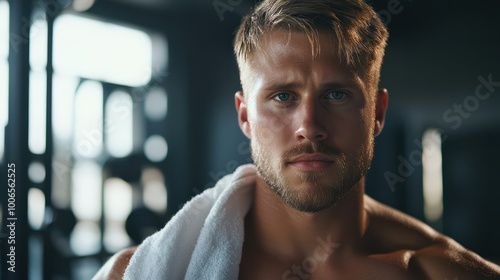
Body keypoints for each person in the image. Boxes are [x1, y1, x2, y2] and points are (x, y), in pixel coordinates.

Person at [94, 0, 500, 279]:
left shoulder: (438, 272)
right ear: (245, 116)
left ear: (376, 112)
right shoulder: (138, 274)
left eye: (336, 95)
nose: (309, 126)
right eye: (283, 97)